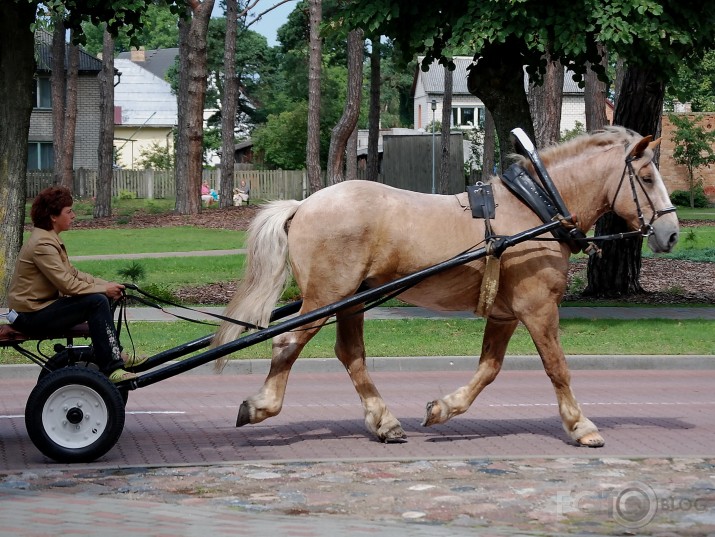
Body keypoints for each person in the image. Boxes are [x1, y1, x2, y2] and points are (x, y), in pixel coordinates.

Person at [7, 186, 141, 383]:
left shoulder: (48, 239)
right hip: (31, 316)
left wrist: (109, 285)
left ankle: (115, 354)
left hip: (37, 310)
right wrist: (104, 290)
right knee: (96, 301)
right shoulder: (42, 244)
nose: (74, 216)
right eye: (69, 211)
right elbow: (68, 286)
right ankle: (113, 366)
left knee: (99, 297)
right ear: (53, 216)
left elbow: (74, 274)